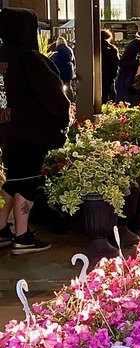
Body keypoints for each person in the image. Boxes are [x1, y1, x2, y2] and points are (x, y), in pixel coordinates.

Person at [0, 7, 71, 254]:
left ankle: (1, 229)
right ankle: (22, 236)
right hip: (31, 131)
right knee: (27, 181)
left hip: (6, 130)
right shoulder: (30, 59)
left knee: (13, 179)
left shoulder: (2, 56)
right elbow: (54, 96)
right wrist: (63, 119)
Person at [101, 30, 120, 104]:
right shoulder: (112, 48)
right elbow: (116, 63)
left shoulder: (94, 48)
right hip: (108, 77)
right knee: (108, 95)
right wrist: (114, 75)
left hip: (96, 76)